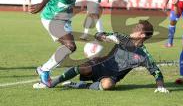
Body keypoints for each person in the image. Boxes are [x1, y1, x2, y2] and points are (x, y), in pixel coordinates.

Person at [33, 20, 169, 94]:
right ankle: (53, 83)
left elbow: (156, 72)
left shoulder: (143, 55)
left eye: (137, 28)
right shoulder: (122, 38)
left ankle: (81, 86)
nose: (134, 29)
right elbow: (99, 34)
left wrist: (160, 86)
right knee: (84, 67)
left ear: (143, 35)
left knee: (108, 85)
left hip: (111, 77)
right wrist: (105, 37)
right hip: (99, 65)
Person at [29, 0, 93, 88]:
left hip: (64, 18)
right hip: (53, 17)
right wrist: (42, 4)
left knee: (68, 49)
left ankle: (44, 69)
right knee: (70, 46)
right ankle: (44, 70)